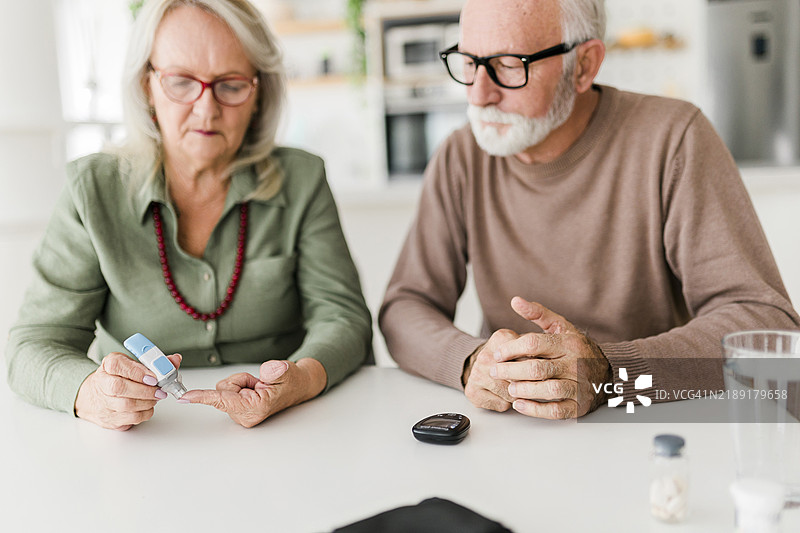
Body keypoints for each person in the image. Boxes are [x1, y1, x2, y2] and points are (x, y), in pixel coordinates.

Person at [379, 0, 800, 419]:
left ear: (583, 65)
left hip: (646, 418)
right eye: (468, 61)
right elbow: (405, 306)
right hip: (511, 428)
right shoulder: (460, 155)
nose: (478, 94)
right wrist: (469, 361)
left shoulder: (674, 138)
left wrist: (609, 373)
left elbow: (765, 323)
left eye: (509, 65)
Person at [5, 0, 372, 430]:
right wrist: (90, 392)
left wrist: (301, 379)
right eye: (181, 82)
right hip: (147, 440)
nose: (206, 109)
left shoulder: (302, 178)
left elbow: (343, 318)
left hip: (286, 427)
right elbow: (34, 344)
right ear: (148, 86)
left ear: (259, 93)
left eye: (231, 85)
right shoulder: (93, 190)